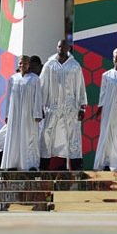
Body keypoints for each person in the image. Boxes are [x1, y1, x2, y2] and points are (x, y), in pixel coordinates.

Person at [39, 40, 87, 171]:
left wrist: (82, 106)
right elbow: (42, 86)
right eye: (59, 46)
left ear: (68, 48)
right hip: (52, 107)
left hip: (71, 108)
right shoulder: (49, 65)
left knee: (73, 136)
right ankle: (43, 165)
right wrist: (40, 106)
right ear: (57, 47)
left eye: (63, 46)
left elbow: (81, 87)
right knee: (47, 135)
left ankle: (77, 166)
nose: (61, 48)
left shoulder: (75, 66)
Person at [1, 55, 43, 171]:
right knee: (15, 136)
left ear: (28, 64)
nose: (22, 65)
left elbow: (38, 97)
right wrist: (7, 115)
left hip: (28, 114)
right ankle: (13, 162)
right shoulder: (13, 78)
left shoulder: (35, 79)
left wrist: (37, 113)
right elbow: (8, 98)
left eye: (24, 63)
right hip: (15, 114)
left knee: (29, 137)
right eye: (20, 63)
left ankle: (30, 164)